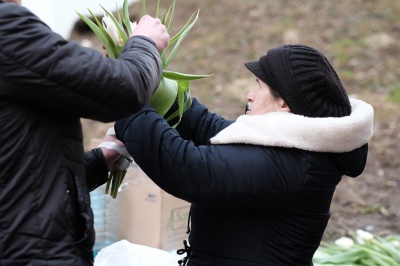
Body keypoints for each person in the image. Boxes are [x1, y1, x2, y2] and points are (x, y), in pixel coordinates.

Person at [113, 44, 374, 265]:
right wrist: (153, 80)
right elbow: (207, 126)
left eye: (259, 86)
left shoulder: (293, 163)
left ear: (284, 103)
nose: (249, 95)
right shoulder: (287, 142)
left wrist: (126, 93)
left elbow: (190, 169)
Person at [0, 0, 170, 265]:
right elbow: (125, 88)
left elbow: (18, 170)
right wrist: (145, 43)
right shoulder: (6, 27)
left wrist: (99, 160)